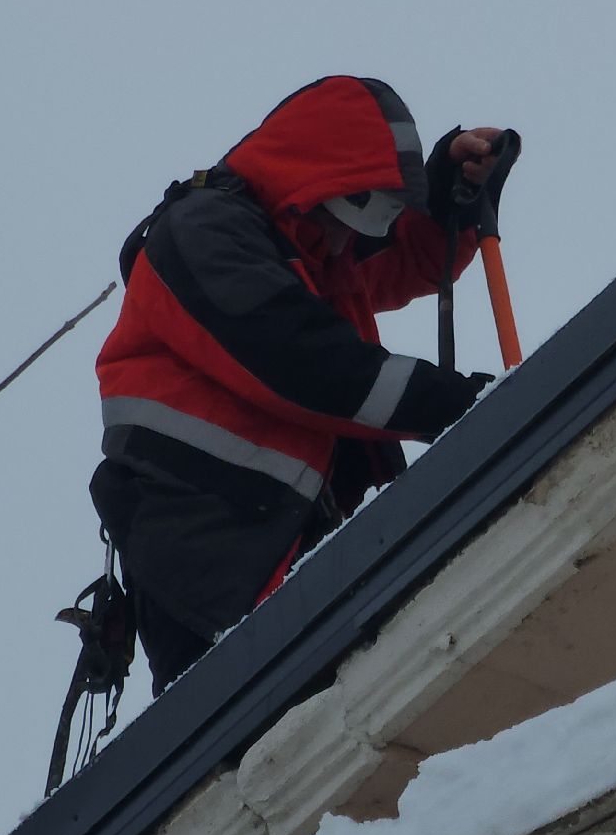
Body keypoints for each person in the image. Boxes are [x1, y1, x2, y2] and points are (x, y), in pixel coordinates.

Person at [91, 76, 511, 695]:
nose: (352, 243)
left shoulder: (306, 250)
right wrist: (462, 407)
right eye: (353, 214)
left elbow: (400, 261)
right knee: (260, 762)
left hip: (282, 553)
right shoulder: (205, 232)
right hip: (218, 566)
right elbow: (308, 365)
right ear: (320, 184)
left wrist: (446, 205)